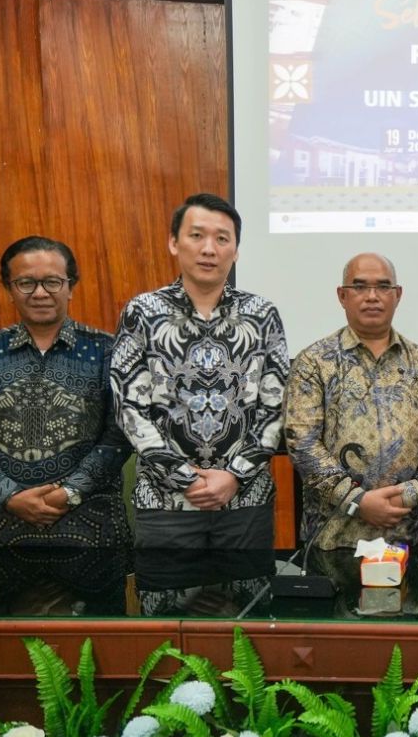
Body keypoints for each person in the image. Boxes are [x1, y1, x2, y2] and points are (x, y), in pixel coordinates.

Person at [111, 193, 289, 549]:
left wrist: (234, 475)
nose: (209, 248)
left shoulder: (262, 314)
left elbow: (276, 407)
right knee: (166, 604)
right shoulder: (142, 312)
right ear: (174, 243)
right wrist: (185, 480)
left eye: (222, 239)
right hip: (165, 506)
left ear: (235, 250)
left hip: (244, 503)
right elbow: (129, 408)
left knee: (246, 602)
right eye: (197, 236)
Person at [283, 253, 418, 550]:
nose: (372, 297)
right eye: (360, 287)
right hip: (333, 536)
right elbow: (302, 442)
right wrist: (357, 501)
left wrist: (413, 493)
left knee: (408, 597)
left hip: (406, 531)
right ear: (342, 295)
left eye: (383, 287)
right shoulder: (313, 362)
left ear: (397, 295)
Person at [0, 236, 131, 546]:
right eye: (26, 283)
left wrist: (68, 492)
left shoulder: (108, 351)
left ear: (71, 287)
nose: (40, 293)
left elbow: (120, 435)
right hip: (0, 519)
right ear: (8, 289)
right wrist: (8, 495)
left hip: (89, 522)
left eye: (53, 282)